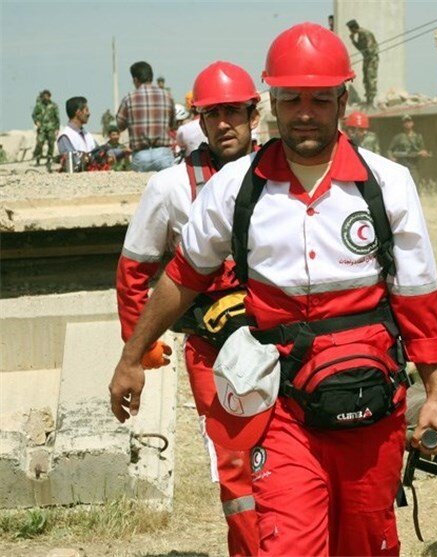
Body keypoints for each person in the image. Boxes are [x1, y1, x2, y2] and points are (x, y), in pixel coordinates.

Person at [108, 23, 437, 556]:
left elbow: (418, 298)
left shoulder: (387, 184)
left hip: (374, 410)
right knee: (287, 544)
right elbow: (182, 276)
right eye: (292, 99)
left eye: (320, 98)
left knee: (368, 543)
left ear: (343, 99)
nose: (306, 111)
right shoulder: (236, 187)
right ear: (272, 101)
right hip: (282, 409)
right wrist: (132, 357)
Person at [115, 60, 262, 557]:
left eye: (234, 112)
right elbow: (135, 271)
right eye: (212, 113)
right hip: (213, 352)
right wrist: (140, 346)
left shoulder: (282, 176)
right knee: (235, 465)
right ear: (198, 120)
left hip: (286, 345)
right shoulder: (170, 187)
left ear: (254, 113)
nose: (224, 123)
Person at [116, 61, 176, 172]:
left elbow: (120, 125)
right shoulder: (167, 96)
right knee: (167, 187)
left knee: (141, 188)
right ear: (151, 77)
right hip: (163, 153)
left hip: (140, 155)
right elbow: (173, 124)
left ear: (135, 79)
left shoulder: (129, 98)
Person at [57, 96, 98, 171]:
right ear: (78, 112)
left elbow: (98, 153)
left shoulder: (88, 135)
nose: (89, 113)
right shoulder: (65, 136)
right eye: (86, 110)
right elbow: (73, 162)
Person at [388, 114, 430, 184]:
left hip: (413, 165)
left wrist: (423, 153)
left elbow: (422, 149)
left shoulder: (418, 137)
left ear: (412, 123)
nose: (407, 124)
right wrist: (391, 158)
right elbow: (390, 150)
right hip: (402, 164)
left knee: (414, 184)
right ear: (403, 124)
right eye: (405, 122)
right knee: (402, 185)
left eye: (409, 121)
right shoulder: (398, 137)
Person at [347, 19, 379, 106]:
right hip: (366, 59)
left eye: (350, 29)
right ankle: (368, 99)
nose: (350, 31)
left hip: (372, 59)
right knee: (366, 79)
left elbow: (370, 48)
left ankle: (371, 101)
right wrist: (353, 40)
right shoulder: (360, 35)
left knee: (370, 79)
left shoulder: (366, 33)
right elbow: (361, 49)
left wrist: (368, 54)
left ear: (353, 28)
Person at [32, 90, 59, 167]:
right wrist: (36, 121)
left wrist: (57, 128)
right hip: (42, 128)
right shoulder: (39, 105)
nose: (46, 98)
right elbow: (34, 115)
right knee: (39, 143)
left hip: (51, 128)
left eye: (47, 96)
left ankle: (49, 159)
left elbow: (57, 118)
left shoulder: (53, 106)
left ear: (50, 96)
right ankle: (37, 159)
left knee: (51, 143)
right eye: (44, 96)